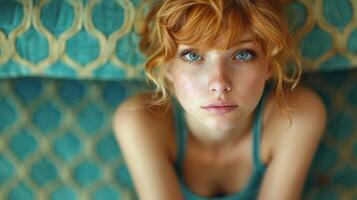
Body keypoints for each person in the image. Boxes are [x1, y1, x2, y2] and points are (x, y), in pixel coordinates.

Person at [113, 0, 327, 199]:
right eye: (194, 56)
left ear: (269, 64)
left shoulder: (296, 115)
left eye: (242, 55)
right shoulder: (141, 121)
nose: (219, 83)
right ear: (166, 66)